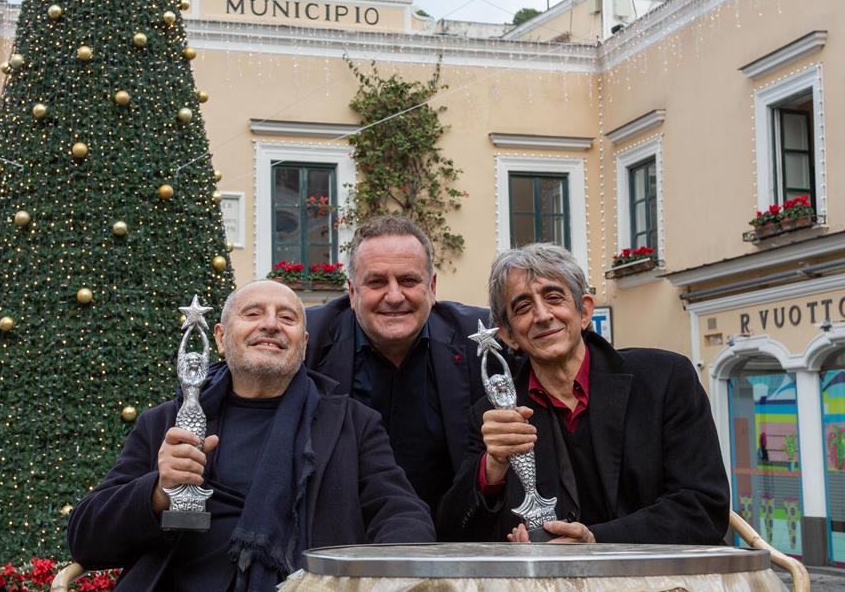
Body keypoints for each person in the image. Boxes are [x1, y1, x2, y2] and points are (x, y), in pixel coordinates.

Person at [67, 280, 434, 592]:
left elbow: (402, 515)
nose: (271, 325)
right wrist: (158, 492)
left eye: (287, 318)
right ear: (221, 338)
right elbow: (85, 538)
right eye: (253, 313)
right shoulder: (166, 423)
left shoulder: (352, 423)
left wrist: (380, 581)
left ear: (303, 343)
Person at [436, 243, 730, 545]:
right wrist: (492, 467)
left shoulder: (665, 379)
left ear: (585, 310)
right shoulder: (493, 416)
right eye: (522, 307)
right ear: (509, 334)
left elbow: (704, 508)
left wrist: (597, 541)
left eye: (554, 297)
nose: (542, 315)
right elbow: (456, 534)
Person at [305, 215, 506, 515]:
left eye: (408, 280)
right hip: (344, 533)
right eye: (376, 282)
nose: (395, 296)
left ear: (432, 286)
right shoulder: (306, 340)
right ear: (352, 292)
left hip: (451, 531)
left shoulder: (481, 338)